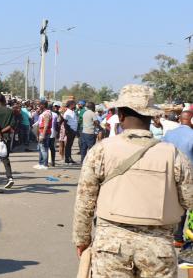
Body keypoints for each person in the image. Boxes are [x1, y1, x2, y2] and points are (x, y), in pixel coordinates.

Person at [73, 84, 193, 278]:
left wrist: (82, 239)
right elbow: (190, 200)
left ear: (120, 115)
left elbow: (84, 202)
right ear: (153, 117)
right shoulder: (173, 155)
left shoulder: (101, 151)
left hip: (111, 247)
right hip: (158, 248)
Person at [34, 100, 52, 170]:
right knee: (41, 149)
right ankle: (41, 163)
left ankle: (45, 164)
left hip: (44, 132)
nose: (39, 106)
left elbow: (46, 125)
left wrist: (43, 135)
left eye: (40, 105)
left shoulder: (47, 113)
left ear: (43, 105)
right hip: (41, 131)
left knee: (44, 149)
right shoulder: (43, 113)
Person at [63, 100, 78, 164]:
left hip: (73, 130)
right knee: (68, 145)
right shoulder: (67, 112)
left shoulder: (72, 111)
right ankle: (67, 159)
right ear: (71, 105)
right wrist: (68, 130)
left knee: (70, 145)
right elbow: (65, 123)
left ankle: (69, 158)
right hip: (70, 130)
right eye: (74, 104)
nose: (75, 105)